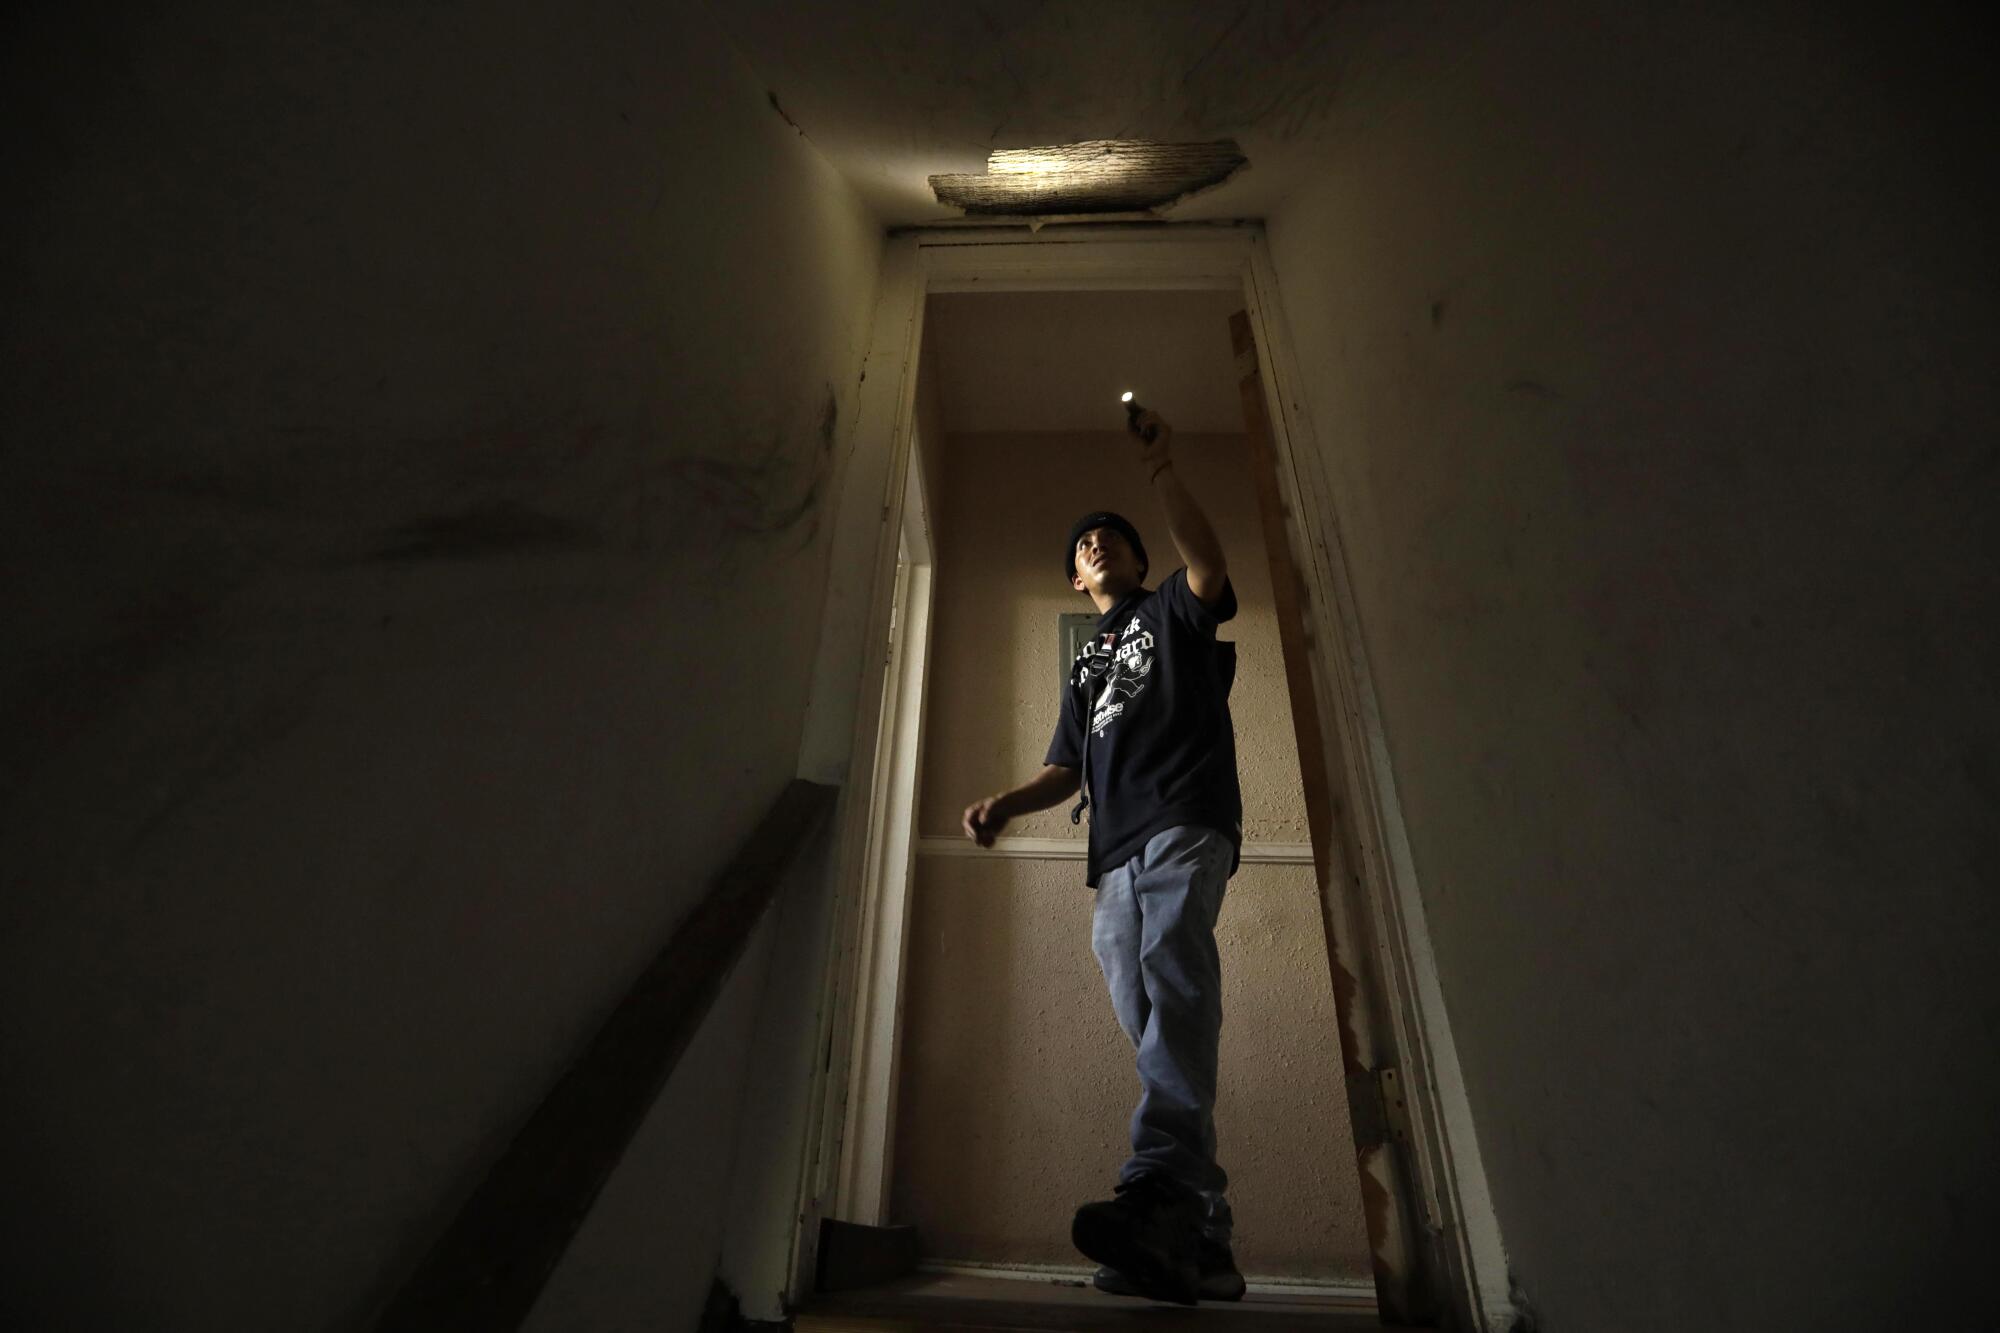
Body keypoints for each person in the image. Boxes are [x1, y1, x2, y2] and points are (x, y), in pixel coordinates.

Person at [960, 408, 1246, 1306]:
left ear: (1135, 560)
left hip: (1184, 819)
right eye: (1085, 543)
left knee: (1176, 978)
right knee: (1150, 1017)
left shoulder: (1171, 609)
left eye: (1112, 538)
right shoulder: (1086, 663)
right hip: (1111, 850)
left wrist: (1162, 471)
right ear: (1074, 573)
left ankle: (1156, 1186)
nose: (1098, 544)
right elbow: (1065, 766)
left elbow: (1209, 566)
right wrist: (1007, 803)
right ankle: (1202, 1240)